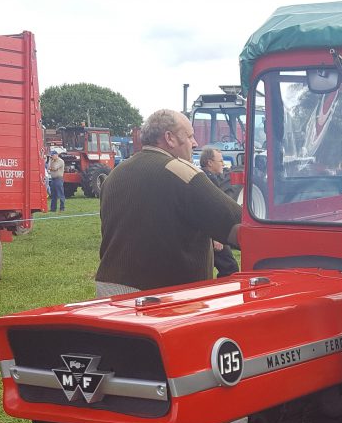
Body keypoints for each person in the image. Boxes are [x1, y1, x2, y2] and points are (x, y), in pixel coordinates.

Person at [95, 109, 241, 297]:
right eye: (190, 136)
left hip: (109, 292)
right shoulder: (183, 173)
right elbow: (237, 222)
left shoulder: (114, 175)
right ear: (169, 138)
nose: (195, 143)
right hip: (162, 298)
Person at [198, 146, 240, 278]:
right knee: (230, 267)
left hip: (208, 233)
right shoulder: (208, 180)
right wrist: (215, 237)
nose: (223, 164)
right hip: (211, 234)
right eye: (220, 161)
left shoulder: (207, 177)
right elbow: (209, 210)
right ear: (210, 163)